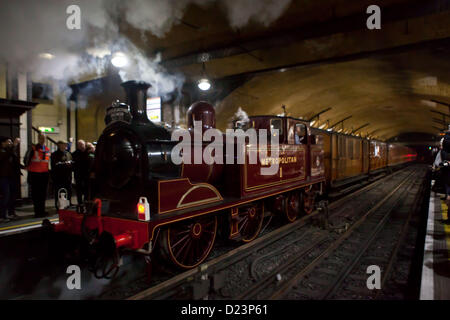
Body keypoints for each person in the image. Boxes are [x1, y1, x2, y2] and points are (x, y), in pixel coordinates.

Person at [25, 133, 50, 218]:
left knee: (43, 194)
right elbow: (26, 159)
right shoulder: (33, 148)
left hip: (44, 175)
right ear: (38, 139)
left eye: (44, 138)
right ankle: (37, 212)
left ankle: (42, 211)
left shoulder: (47, 149)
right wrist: (27, 168)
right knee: (36, 195)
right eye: (41, 138)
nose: (42, 140)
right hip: (35, 175)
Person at [0, 137, 22, 222]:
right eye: (8, 142)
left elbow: (15, 162)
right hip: (3, 177)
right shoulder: (2, 151)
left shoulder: (10, 151)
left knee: (12, 195)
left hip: (12, 176)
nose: (10, 143)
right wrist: (14, 145)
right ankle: (2, 215)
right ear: (3, 143)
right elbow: (5, 156)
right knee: (6, 195)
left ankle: (11, 213)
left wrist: (23, 167)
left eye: (11, 142)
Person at [50, 140, 73, 209]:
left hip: (67, 176)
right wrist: (64, 164)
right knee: (59, 192)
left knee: (68, 191)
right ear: (59, 145)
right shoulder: (54, 154)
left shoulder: (68, 153)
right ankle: (59, 206)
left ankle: (67, 204)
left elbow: (71, 162)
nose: (65, 146)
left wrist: (70, 164)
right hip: (59, 177)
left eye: (65, 145)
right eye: (63, 144)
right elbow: (54, 165)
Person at [72, 139, 89, 205]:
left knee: (86, 189)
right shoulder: (74, 154)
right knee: (78, 189)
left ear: (84, 144)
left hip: (86, 174)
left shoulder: (88, 152)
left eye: (82, 144)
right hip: (78, 174)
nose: (81, 146)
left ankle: (86, 201)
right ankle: (79, 202)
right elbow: (72, 163)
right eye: (79, 145)